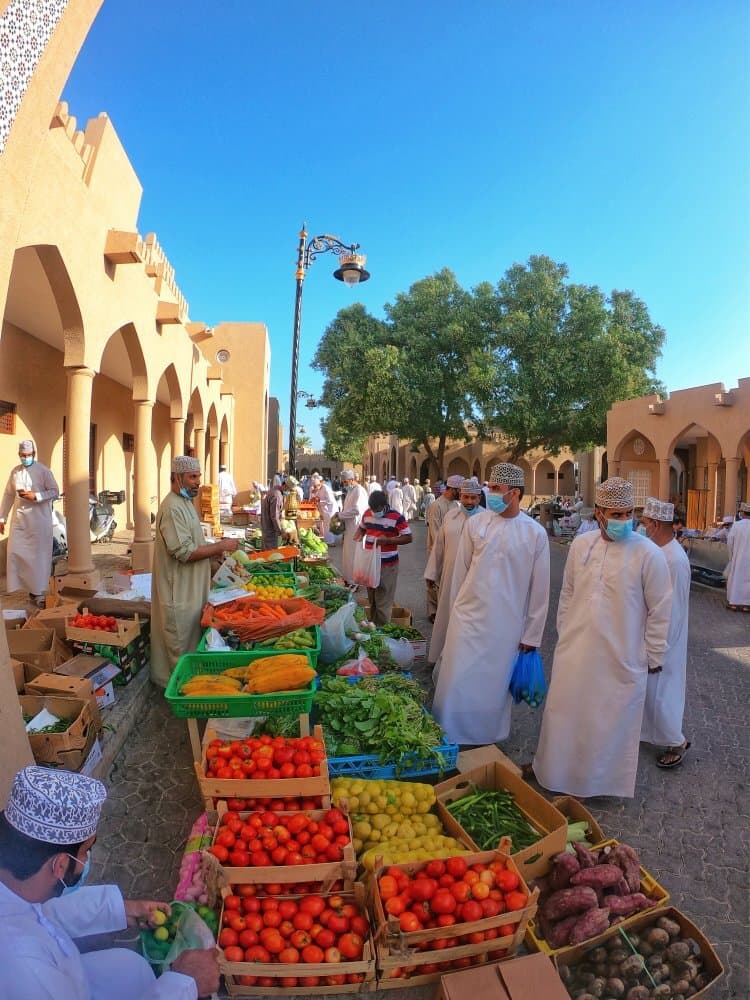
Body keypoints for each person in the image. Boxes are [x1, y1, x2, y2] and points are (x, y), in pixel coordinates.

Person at [0, 766, 219, 999]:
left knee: (129, 967)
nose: (86, 860)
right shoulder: (24, 968)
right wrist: (185, 983)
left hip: (67, 975)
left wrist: (121, 908)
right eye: (86, 851)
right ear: (61, 865)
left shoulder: (16, 887)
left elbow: (41, 912)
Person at [531, 477, 673, 798]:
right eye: (616, 514)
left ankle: (596, 785)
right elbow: (567, 593)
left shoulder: (648, 554)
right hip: (576, 652)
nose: (623, 520)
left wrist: (653, 656)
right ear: (598, 513)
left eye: (627, 514)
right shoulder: (582, 545)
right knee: (566, 715)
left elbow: (661, 610)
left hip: (621, 657)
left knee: (606, 722)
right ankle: (556, 775)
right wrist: (565, 632)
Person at [432, 464, 550, 746]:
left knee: (491, 685)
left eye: (496, 489)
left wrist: (531, 635)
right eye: (491, 487)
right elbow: (460, 574)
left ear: (515, 493)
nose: (490, 494)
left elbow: (540, 591)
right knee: (456, 678)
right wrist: (453, 613)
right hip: (468, 618)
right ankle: (449, 732)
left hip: (506, 626)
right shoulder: (477, 524)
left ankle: (485, 737)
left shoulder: (535, 534)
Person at [150, 457, 239, 688]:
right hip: (178, 592)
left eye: (198, 476)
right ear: (177, 477)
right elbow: (184, 553)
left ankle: (191, 691)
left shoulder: (186, 503)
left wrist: (214, 557)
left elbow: (194, 544)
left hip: (193, 591)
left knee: (191, 645)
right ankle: (180, 700)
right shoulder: (171, 508)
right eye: (192, 477)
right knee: (180, 649)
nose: (197, 482)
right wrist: (221, 546)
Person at [638, 498, 692, 768]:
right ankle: (647, 733)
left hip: (665, 641)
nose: (642, 528)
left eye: (645, 523)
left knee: (663, 694)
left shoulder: (674, 559)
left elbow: (673, 609)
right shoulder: (661, 552)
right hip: (655, 637)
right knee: (649, 692)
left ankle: (677, 742)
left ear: (656, 524)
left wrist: (658, 646)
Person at [424, 478, 484, 668]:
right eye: (466, 496)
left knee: (469, 622)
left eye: (474, 498)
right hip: (449, 578)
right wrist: (432, 573)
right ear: (460, 495)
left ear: (479, 497)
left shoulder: (487, 520)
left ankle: (464, 663)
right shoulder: (450, 517)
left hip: (475, 582)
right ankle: (441, 659)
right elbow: (439, 548)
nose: (469, 501)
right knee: (446, 617)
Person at [0, 439, 59, 604]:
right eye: (23, 455)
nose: (26, 457)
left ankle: (38, 592)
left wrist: (37, 496)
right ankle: (24, 586)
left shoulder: (43, 471)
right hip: (20, 521)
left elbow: (55, 491)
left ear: (34, 454)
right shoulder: (15, 472)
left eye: (28, 455)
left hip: (39, 521)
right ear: (19, 455)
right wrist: (2, 517)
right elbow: (8, 495)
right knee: (15, 553)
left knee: (38, 558)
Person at [354, 489, 412, 624]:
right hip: (370, 563)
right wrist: (358, 534)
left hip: (388, 565)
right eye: (372, 509)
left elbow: (409, 537)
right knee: (372, 598)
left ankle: (382, 632)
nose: (375, 512)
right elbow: (362, 527)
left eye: (377, 509)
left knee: (383, 599)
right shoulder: (367, 513)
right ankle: (373, 625)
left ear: (385, 505)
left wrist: (389, 540)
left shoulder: (396, 517)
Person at [425, 474, 462, 621]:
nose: (461, 493)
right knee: (433, 579)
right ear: (452, 489)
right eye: (459, 490)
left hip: (451, 550)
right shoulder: (437, 505)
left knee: (446, 581)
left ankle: (444, 610)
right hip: (437, 549)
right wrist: (443, 549)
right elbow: (435, 531)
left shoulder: (455, 505)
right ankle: (433, 612)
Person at [338, 469, 369, 584]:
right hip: (349, 527)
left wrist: (341, 515)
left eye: (345, 482)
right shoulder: (351, 491)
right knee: (348, 554)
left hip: (356, 527)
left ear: (352, 480)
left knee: (354, 554)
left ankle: (355, 580)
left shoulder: (359, 491)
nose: (344, 484)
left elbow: (357, 510)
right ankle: (348, 578)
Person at [726, 502, 750, 611]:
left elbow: (730, 542)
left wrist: (731, 556)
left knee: (736, 579)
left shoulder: (737, 526)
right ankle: (746, 605)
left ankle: (734, 603)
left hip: (738, 557)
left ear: (742, 513)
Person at [260, 476, 288, 549]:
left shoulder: (276, 489)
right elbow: (275, 516)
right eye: (289, 489)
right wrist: (281, 531)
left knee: (267, 548)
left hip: (267, 524)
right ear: (285, 486)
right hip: (270, 526)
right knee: (270, 552)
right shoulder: (277, 496)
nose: (289, 491)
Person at [310, 473, 338, 543]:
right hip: (324, 510)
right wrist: (314, 494)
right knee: (326, 526)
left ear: (321, 483)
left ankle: (331, 542)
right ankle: (327, 541)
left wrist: (319, 500)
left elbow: (330, 501)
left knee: (328, 527)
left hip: (330, 510)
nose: (316, 487)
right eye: (315, 486)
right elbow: (316, 497)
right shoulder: (319, 488)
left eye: (317, 485)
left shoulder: (326, 488)